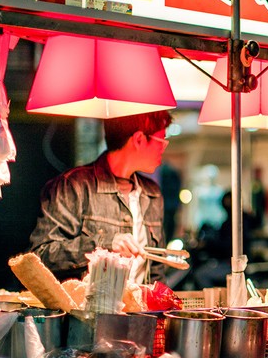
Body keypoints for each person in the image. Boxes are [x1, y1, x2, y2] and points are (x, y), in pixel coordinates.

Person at [29, 111, 173, 281]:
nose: (163, 148)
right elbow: (41, 256)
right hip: (87, 307)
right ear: (139, 139)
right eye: (161, 141)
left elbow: (156, 274)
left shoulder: (152, 194)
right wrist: (104, 244)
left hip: (139, 307)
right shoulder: (74, 186)